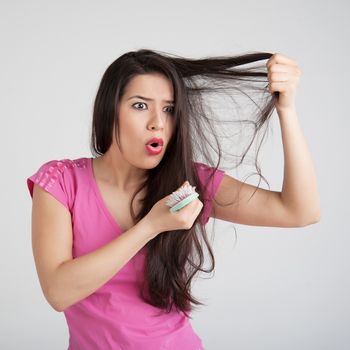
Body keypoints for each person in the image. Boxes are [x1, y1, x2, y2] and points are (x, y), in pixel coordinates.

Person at [26, 49, 320, 349]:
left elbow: (300, 212)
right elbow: (58, 292)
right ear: (109, 110)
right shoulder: (61, 182)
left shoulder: (189, 182)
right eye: (140, 106)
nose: (158, 123)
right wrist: (150, 226)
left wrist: (287, 111)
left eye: (169, 109)